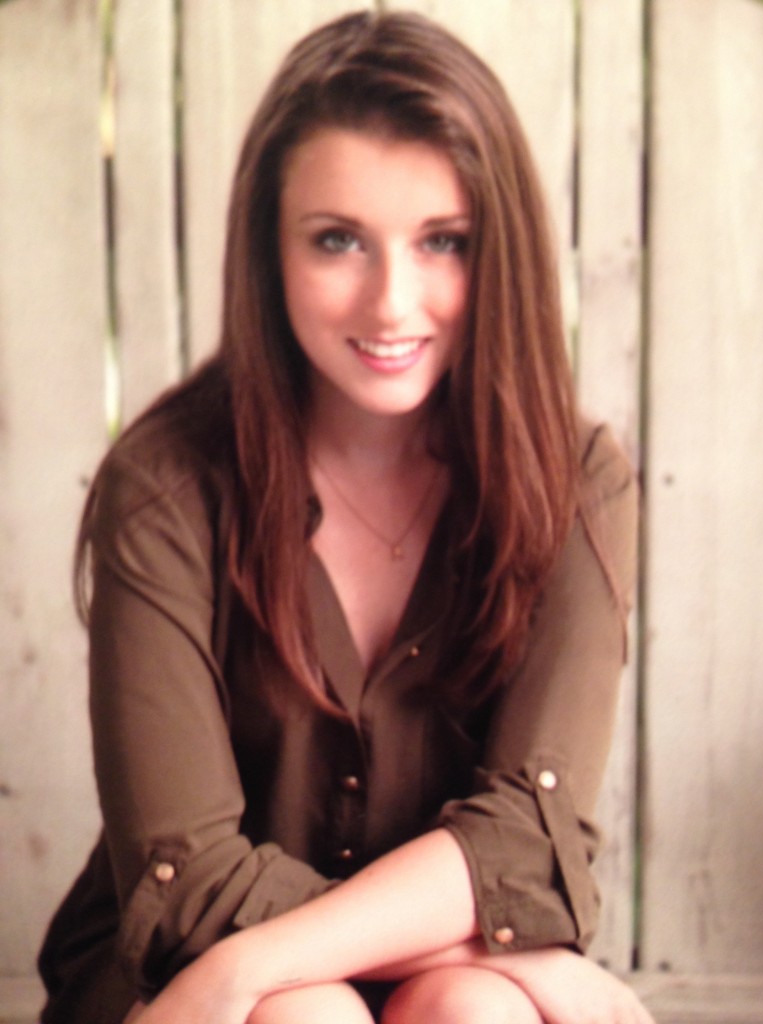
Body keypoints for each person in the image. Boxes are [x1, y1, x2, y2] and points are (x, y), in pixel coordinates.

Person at [38, 10, 652, 1024]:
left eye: (443, 242)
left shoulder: (576, 480)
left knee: (475, 1010)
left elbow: (528, 845)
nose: (392, 302)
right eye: (339, 242)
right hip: (183, 979)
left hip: (414, 976)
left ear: (498, 250)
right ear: (269, 251)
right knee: (308, 1014)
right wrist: (516, 945)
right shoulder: (165, 486)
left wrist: (273, 959)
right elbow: (187, 886)